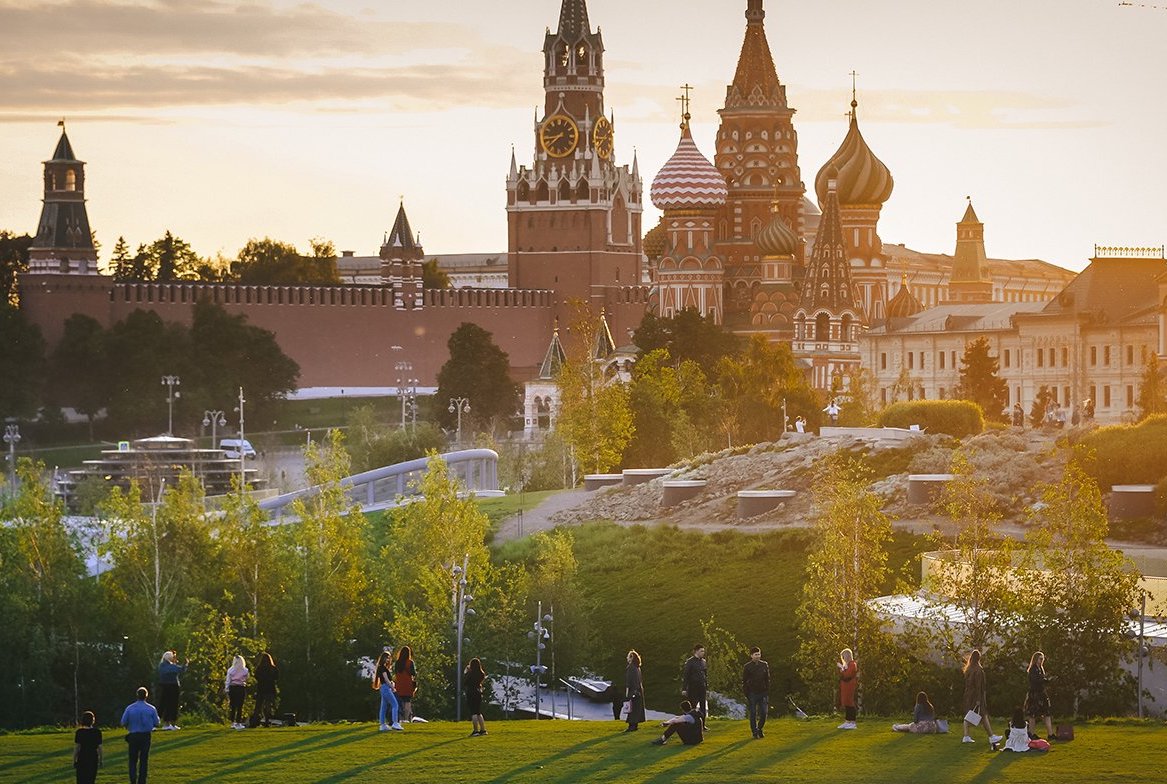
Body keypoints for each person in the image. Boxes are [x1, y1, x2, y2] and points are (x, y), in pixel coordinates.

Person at [961, 649, 1002, 745]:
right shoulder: (978, 670)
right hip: (976, 696)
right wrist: (979, 699)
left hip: (968, 695)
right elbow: (979, 686)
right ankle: (991, 736)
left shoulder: (968, 669)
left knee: (970, 715)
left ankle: (966, 736)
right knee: (983, 715)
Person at [120, 687, 160, 784]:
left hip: (133, 735)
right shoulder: (151, 708)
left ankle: (133, 779)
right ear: (146, 696)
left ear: (137, 695)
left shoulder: (130, 708)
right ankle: (142, 781)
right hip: (146, 735)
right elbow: (157, 723)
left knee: (132, 759)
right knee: (144, 759)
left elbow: (123, 722)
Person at [1025, 651, 1055, 741]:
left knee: (1047, 713)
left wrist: (1047, 680)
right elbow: (1036, 681)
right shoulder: (1033, 669)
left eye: (1043, 659)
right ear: (1036, 659)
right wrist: (1046, 680)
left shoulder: (1040, 668)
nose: (1042, 660)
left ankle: (1050, 734)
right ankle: (1031, 734)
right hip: (1035, 694)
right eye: (1040, 658)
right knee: (1033, 715)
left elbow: (1041, 680)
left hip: (1041, 693)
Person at [742, 646, 770, 739]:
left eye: (759, 654)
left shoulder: (764, 664)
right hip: (752, 693)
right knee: (753, 713)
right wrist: (747, 693)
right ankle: (754, 731)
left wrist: (766, 690)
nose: (758, 656)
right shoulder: (747, 667)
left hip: (763, 692)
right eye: (756, 655)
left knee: (763, 712)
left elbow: (767, 678)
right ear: (751, 656)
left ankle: (760, 729)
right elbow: (744, 681)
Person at [156, 650, 187, 730]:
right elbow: (181, 670)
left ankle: (171, 724)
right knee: (168, 705)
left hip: (166, 686)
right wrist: (185, 664)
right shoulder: (167, 666)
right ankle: (166, 724)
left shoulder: (163, 665)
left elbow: (179, 669)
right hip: (171, 686)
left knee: (171, 705)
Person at [374, 650, 403, 732]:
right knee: (395, 704)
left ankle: (382, 725)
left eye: (389, 658)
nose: (388, 660)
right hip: (386, 688)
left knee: (383, 707)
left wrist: (391, 684)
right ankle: (395, 722)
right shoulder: (383, 668)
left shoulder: (381, 667)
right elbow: (386, 679)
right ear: (384, 658)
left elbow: (386, 679)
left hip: (384, 688)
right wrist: (392, 687)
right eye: (387, 658)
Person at [681, 644, 708, 729]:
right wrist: (684, 688)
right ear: (696, 651)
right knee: (693, 706)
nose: (703, 653)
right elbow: (686, 675)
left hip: (702, 687)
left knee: (703, 706)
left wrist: (706, 684)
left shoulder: (703, 661)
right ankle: (691, 725)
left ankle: (702, 725)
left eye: (703, 651)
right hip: (693, 687)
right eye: (701, 651)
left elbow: (705, 674)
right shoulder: (690, 662)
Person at [73, 710, 103, 784]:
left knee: (81, 779)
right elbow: (100, 748)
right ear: (92, 720)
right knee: (90, 779)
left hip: (82, 757)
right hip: (93, 757)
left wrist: (74, 760)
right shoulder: (97, 732)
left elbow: (77, 747)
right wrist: (101, 760)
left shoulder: (79, 732)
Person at [250, 652, 278, 727]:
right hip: (270, 688)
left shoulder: (259, 668)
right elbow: (276, 677)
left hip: (261, 688)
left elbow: (256, 676)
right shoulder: (273, 668)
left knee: (258, 705)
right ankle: (267, 720)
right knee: (268, 705)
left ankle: (255, 720)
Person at [623, 650, 646, 733]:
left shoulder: (631, 667)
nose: (627, 658)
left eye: (628, 656)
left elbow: (629, 681)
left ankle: (631, 726)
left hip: (633, 690)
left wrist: (627, 692)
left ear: (631, 657)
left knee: (631, 708)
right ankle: (634, 725)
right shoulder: (637, 667)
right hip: (638, 690)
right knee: (636, 708)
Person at [393, 646, 418, 723]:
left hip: (399, 685)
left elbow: (395, 673)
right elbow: (413, 673)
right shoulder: (410, 662)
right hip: (408, 684)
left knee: (399, 702)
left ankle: (400, 718)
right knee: (407, 701)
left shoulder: (397, 663)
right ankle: (407, 719)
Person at [464, 658, 487, 736]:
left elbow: (465, 683)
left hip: (471, 692)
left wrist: (466, 672)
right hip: (478, 692)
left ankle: (475, 730)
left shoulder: (470, 673)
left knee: (473, 712)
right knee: (478, 712)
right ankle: (483, 730)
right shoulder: (481, 673)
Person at [224, 655, 249, 730]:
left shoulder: (231, 670)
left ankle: (232, 722)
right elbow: (247, 679)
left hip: (233, 687)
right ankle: (238, 722)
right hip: (241, 688)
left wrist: (226, 689)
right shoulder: (245, 670)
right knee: (240, 706)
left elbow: (228, 680)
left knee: (233, 705)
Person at [837, 648, 858, 729]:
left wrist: (842, 668)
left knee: (850, 703)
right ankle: (847, 721)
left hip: (849, 685)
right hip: (845, 685)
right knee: (846, 703)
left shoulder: (852, 664)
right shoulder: (848, 665)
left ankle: (853, 722)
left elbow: (847, 675)